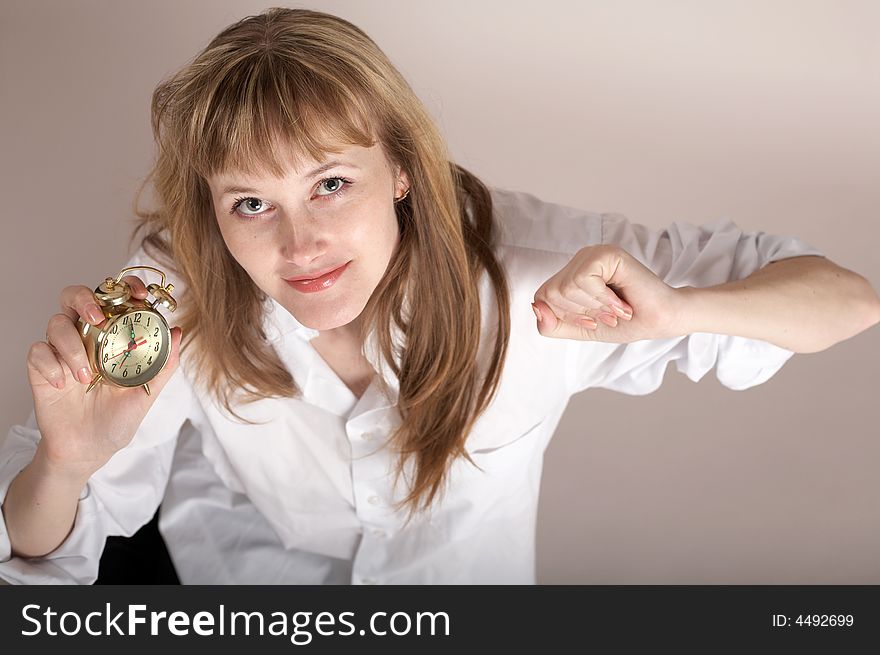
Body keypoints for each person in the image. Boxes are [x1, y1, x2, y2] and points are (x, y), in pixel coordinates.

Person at [0, 7, 877, 585]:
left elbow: (846, 298)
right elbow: (37, 554)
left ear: (405, 169)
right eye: (251, 203)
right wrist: (66, 467)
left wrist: (681, 312)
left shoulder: (535, 269)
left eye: (333, 183)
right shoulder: (165, 304)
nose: (299, 244)